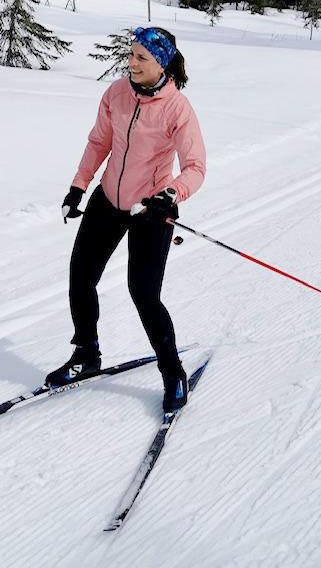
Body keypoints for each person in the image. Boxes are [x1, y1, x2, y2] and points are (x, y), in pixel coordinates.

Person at [50, 26, 207, 412]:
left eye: (142, 58)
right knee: (81, 277)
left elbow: (195, 167)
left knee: (144, 294)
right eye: (131, 54)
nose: (132, 63)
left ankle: (173, 374)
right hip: (108, 199)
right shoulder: (117, 93)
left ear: (162, 63)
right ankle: (86, 353)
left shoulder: (177, 109)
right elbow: (99, 142)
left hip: (151, 208)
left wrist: (170, 194)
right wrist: (78, 186)